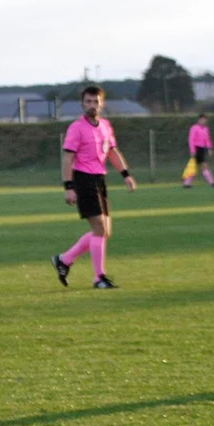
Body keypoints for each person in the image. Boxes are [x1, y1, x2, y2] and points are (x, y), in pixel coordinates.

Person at [51, 86, 137, 290]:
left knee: (105, 231)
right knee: (99, 228)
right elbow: (68, 157)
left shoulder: (106, 126)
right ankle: (99, 278)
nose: (92, 105)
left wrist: (125, 174)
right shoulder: (76, 128)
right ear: (82, 104)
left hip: (99, 179)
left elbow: (113, 152)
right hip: (82, 179)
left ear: (102, 104)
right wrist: (69, 187)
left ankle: (64, 259)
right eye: (88, 101)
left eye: (96, 101)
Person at [184, 113, 214, 188]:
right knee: (204, 165)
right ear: (199, 120)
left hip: (202, 149)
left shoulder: (206, 128)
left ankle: (187, 183)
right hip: (196, 148)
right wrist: (192, 150)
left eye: (205, 120)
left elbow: (207, 139)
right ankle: (212, 183)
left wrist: (209, 148)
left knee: (195, 167)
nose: (204, 121)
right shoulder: (194, 128)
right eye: (202, 120)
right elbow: (191, 140)